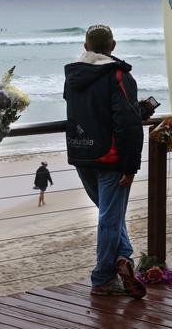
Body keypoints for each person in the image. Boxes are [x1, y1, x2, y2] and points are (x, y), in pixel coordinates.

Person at [63, 24, 156, 298]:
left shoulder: (73, 76)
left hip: (82, 154)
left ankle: (123, 258)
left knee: (109, 215)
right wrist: (130, 166)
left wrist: (133, 111)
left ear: (85, 46)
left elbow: (89, 110)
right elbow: (126, 124)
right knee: (110, 219)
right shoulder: (118, 75)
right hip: (111, 158)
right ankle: (103, 278)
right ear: (113, 46)